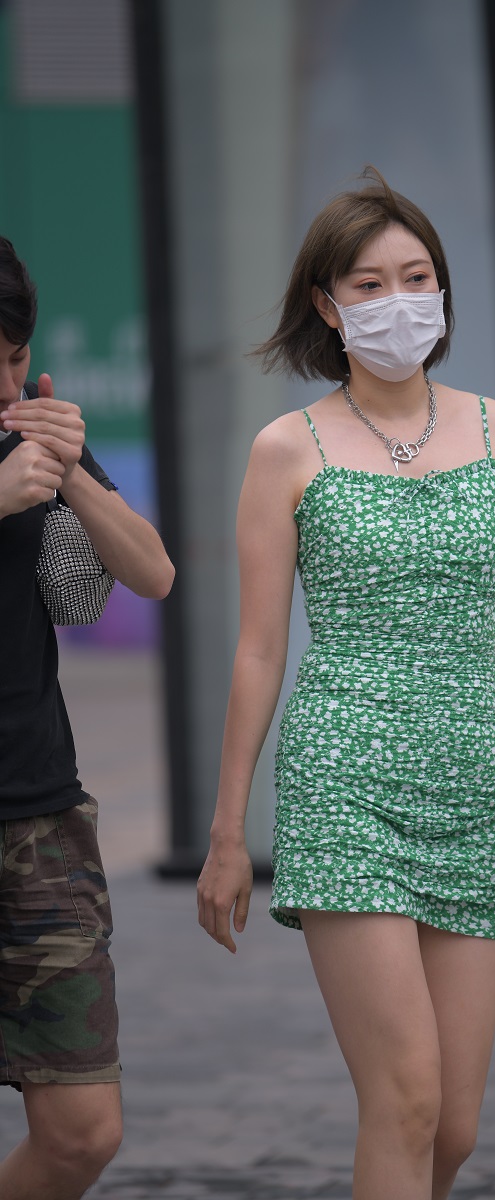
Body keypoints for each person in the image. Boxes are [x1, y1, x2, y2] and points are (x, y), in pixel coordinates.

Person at [197, 168, 495, 1200]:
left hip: (470, 783)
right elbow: (258, 652)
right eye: (368, 285)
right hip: (343, 783)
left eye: (416, 277)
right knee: (404, 1099)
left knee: (452, 1127)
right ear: (328, 306)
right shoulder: (287, 448)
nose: (397, 300)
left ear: (443, 290)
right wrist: (228, 833)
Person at [0, 236, 174, 1199]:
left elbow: (150, 574)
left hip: (38, 818)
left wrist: (69, 470)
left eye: (17, 359)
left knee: (83, 1134)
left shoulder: (29, 441)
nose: (7, 385)